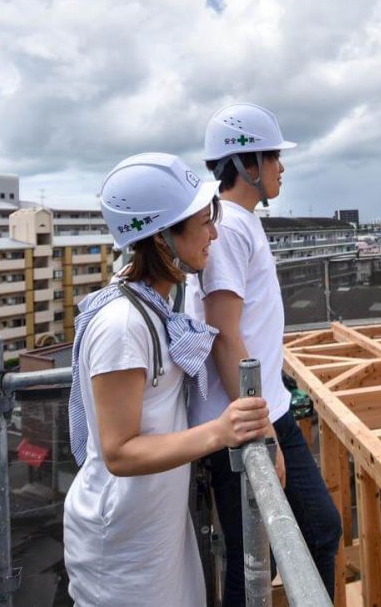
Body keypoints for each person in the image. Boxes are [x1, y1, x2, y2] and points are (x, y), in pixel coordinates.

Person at [63, 152, 271, 607]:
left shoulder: (152, 306)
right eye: (203, 222)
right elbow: (118, 451)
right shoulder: (123, 324)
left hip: (154, 529)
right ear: (162, 238)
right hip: (121, 547)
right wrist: (221, 430)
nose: (214, 233)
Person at [188, 103, 343, 604]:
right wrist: (264, 434)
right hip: (248, 419)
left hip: (263, 407)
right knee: (261, 553)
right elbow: (224, 333)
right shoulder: (229, 227)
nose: (282, 169)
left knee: (300, 537)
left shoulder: (239, 221)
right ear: (247, 164)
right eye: (274, 158)